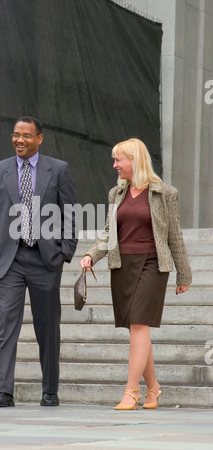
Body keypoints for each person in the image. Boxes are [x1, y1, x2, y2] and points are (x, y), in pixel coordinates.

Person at [80, 138, 192, 410]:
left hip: (153, 264)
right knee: (137, 329)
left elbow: (174, 235)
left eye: (119, 159)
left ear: (135, 160)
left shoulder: (165, 193)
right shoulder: (115, 194)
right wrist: (90, 255)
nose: (115, 165)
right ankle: (154, 388)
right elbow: (109, 233)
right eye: (114, 160)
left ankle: (131, 391)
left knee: (140, 324)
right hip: (122, 267)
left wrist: (184, 274)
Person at [0, 116, 78, 407]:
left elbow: (70, 211)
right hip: (10, 260)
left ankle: (50, 390)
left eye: (26, 136)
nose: (20, 140)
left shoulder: (57, 170)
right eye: (16, 135)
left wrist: (65, 251)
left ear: (39, 139)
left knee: (47, 326)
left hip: (45, 260)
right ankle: (4, 391)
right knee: (6, 324)